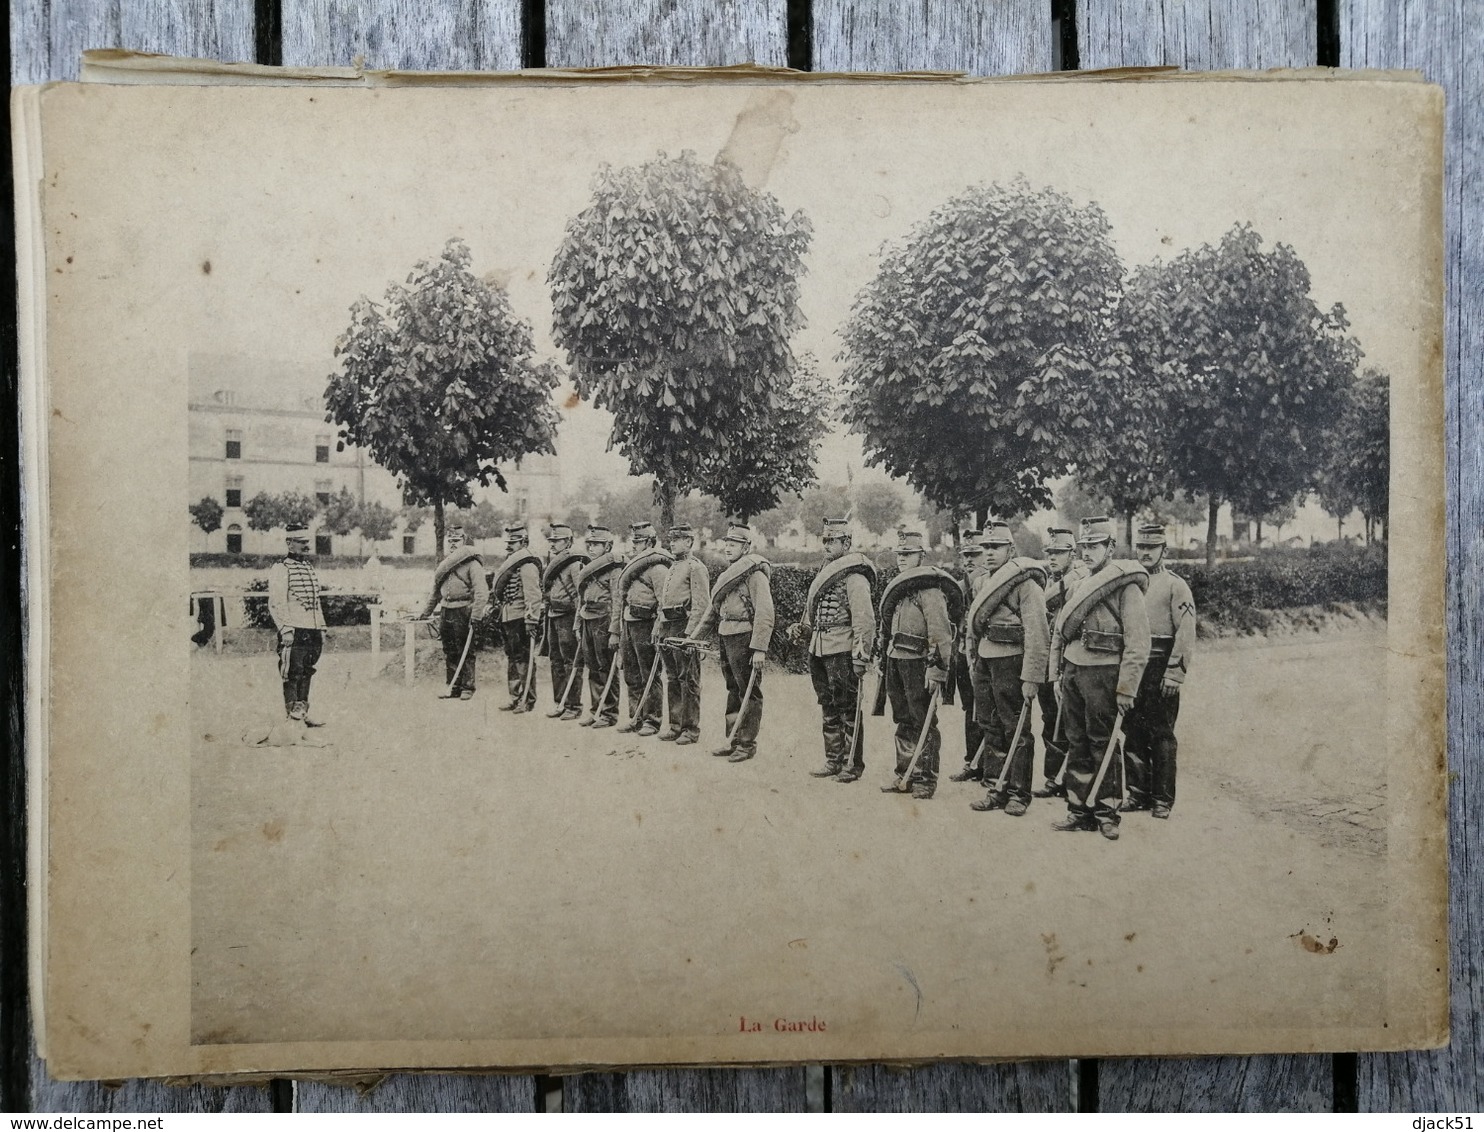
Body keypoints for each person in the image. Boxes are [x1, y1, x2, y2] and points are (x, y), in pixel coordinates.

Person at [1048, 516, 1151, 841]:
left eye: (1095, 545)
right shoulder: (1078, 586)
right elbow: (1060, 634)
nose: (1088, 552)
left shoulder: (1126, 587)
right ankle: (1078, 809)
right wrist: (1056, 673)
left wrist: (1127, 688)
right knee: (1076, 741)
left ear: (1111, 547)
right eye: (1084, 546)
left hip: (1105, 672)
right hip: (1074, 670)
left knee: (1102, 741)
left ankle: (1107, 812)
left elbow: (1138, 642)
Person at [966, 520, 1050, 817]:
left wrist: (1031, 677)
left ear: (1010, 550)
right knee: (990, 725)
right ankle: (996, 787)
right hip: (986, 659)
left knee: (1017, 728)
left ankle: (1018, 792)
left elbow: (1038, 634)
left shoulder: (1026, 585)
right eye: (985, 547)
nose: (988, 553)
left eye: (996, 547)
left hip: (1013, 661)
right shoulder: (980, 583)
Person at [788, 517, 876, 783]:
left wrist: (861, 657)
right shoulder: (824, 573)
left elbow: (865, 620)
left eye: (832, 540)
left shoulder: (855, 577)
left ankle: (852, 764)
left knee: (848, 707)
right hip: (820, 647)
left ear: (846, 543)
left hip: (842, 648)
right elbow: (812, 613)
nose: (826, 545)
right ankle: (832, 759)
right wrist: (802, 628)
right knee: (827, 705)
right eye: (825, 540)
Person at [1122, 523, 1196, 819]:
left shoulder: (1175, 585)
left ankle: (1162, 799)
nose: (1145, 553)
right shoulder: (1129, 585)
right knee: (1132, 732)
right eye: (1141, 547)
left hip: (1160, 668)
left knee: (1162, 735)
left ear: (1164, 551)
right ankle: (1137, 793)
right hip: (1132, 668)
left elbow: (1186, 632)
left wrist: (1175, 674)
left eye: (1152, 548)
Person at [875, 529, 955, 800]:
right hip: (897, 660)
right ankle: (905, 773)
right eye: (899, 554)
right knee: (903, 718)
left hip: (919, 662)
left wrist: (937, 669)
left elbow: (941, 634)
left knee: (923, 720)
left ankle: (926, 778)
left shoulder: (930, 591)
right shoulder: (898, 590)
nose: (902, 559)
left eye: (908, 554)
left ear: (921, 556)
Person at [695, 525, 773, 763]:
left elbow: (765, 613)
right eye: (726, 543)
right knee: (733, 690)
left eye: (734, 544)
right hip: (726, 633)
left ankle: (747, 744)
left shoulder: (755, 575)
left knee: (749, 690)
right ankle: (733, 739)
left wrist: (759, 648)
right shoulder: (729, 575)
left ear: (746, 547)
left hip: (745, 636)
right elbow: (713, 610)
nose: (728, 548)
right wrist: (696, 637)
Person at [1033, 527, 1089, 798]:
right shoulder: (1049, 580)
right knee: (1050, 718)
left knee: (1072, 721)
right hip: (1048, 658)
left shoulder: (1079, 578)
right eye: (1050, 552)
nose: (1053, 557)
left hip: (1070, 657)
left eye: (1059, 552)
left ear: (1072, 554)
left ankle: (1070, 779)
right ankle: (1054, 777)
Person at [613, 521, 673, 736]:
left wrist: (659, 628)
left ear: (649, 542)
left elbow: (664, 603)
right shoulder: (632, 567)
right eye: (633, 541)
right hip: (630, 623)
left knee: (649, 674)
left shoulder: (658, 569)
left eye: (638, 542)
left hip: (647, 624)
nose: (634, 546)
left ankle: (652, 720)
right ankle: (636, 716)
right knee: (631, 672)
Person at [653, 524, 711, 745]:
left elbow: (701, 605)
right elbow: (664, 602)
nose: (672, 543)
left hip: (684, 627)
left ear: (689, 541)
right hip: (669, 626)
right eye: (671, 539)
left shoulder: (695, 567)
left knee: (689, 680)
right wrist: (660, 627)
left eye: (677, 539)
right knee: (672, 678)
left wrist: (691, 636)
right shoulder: (672, 567)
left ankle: (690, 729)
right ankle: (675, 725)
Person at [418, 521, 489, 701]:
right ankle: (453, 685)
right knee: (449, 649)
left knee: (465, 648)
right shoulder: (445, 565)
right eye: (450, 540)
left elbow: (482, 592)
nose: (452, 543)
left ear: (464, 541)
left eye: (456, 540)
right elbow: (435, 592)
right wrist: (425, 612)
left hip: (463, 610)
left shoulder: (473, 564)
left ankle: (468, 686)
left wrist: (476, 615)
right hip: (446, 611)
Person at [268, 523, 329, 724]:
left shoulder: (308, 568)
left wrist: (321, 626)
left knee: (307, 670)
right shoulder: (281, 569)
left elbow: (315, 601)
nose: (306, 546)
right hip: (294, 628)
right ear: (289, 543)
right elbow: (276, 602)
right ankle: (291, 714)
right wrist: (285, 629)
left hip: (311, 629)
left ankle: (303, 712)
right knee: (292, 672)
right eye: (301, 542)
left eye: (307, 542)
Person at [948, 531, 992, 784]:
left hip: (986, 654)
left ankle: (990, 765)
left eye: (975, 554)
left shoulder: (993, 583)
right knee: (970, 709)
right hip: (965, 653)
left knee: (989, 710)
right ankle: (972, 761)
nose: (969, 560)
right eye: (965, 555)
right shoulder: (961, 584)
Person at [490, 521, 543, 712]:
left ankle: (527, 700)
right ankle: (514, 697)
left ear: (524, 543)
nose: (509, 545)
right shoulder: (510, 564)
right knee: (513, 658)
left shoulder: (527, 565)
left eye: (515, 541)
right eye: (509, 541)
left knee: (523, 659)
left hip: (521, 617)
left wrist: (531, 620)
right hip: (508, 616)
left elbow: (533, 594)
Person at [574, 526, 624, 728]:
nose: (592, 548)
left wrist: (614, 631)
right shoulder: (587, 568)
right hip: (588, 618)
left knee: (606, 667)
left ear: (608, 546)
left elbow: (618, 600)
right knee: (592, 667)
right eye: (590, 544)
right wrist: (578, 622)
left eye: (596, 544)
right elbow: (581, 599)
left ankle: (609, 713)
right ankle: (596, 709)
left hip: (604, 619)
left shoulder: (614, 570)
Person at [541, 522, 588, 720]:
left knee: (571, 661)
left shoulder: (575, 565)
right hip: (553, 615)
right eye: (551, 540)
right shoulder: (552, 562)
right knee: (556, 660)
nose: (553, 544)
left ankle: (573, 705)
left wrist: (578, 622)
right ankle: (559, 702)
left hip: (568, 617)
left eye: (557, 540)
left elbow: (581, 595)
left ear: (568, 542)